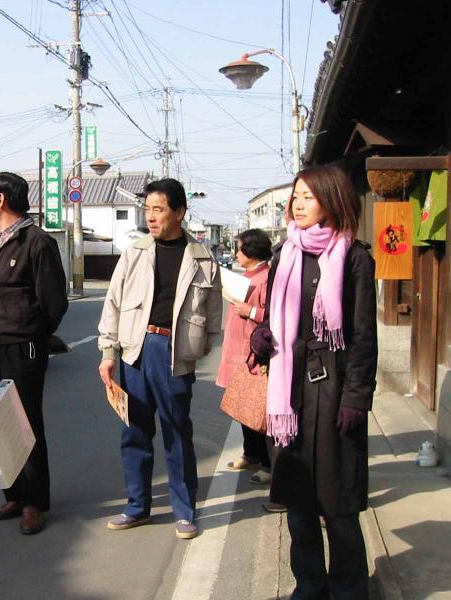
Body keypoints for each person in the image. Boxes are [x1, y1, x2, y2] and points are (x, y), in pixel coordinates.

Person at [252, 165, 377, 599]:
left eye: (307, 196)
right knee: (299, 502)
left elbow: (363, 337)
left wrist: (356, 398)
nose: (297, 204)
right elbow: (270, 319)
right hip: (289, 395)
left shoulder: (354, 257)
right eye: (295, 196)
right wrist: (261, 336)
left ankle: (348, 588)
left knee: (338, 502)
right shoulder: (285, 255)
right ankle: (309, 585)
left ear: (332, 199)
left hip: (335, 389)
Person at [97, 178, 222, 539]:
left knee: (177, 431)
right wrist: (109, 352)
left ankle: (185, 511)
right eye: (147, 209)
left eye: (159, 209)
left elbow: (213, 313)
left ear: (179, 212)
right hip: (136, 348)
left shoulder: (201, 258)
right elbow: (114, 303)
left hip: (174, 353)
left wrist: (198, 349)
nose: (151, 217)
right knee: (134, 430)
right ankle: (137, 506)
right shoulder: (135, 252)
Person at [0, 171, 68, 535]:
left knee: (27, 423)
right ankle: (13, 493)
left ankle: (35, 501)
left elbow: (54, 302)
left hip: (24, 346)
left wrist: (34, 333)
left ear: (2, 199)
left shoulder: (37, 242)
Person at [216, 229, 276, 484]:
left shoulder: (267, 277)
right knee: (242, 404)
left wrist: (251, 310)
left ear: (252, 252)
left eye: (239, 249)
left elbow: (275, 315)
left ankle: (267, 461)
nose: (236, 254)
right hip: (237, 349)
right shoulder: (248, 276)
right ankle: (251, 453)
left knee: (257, 407)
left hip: (254, 353)